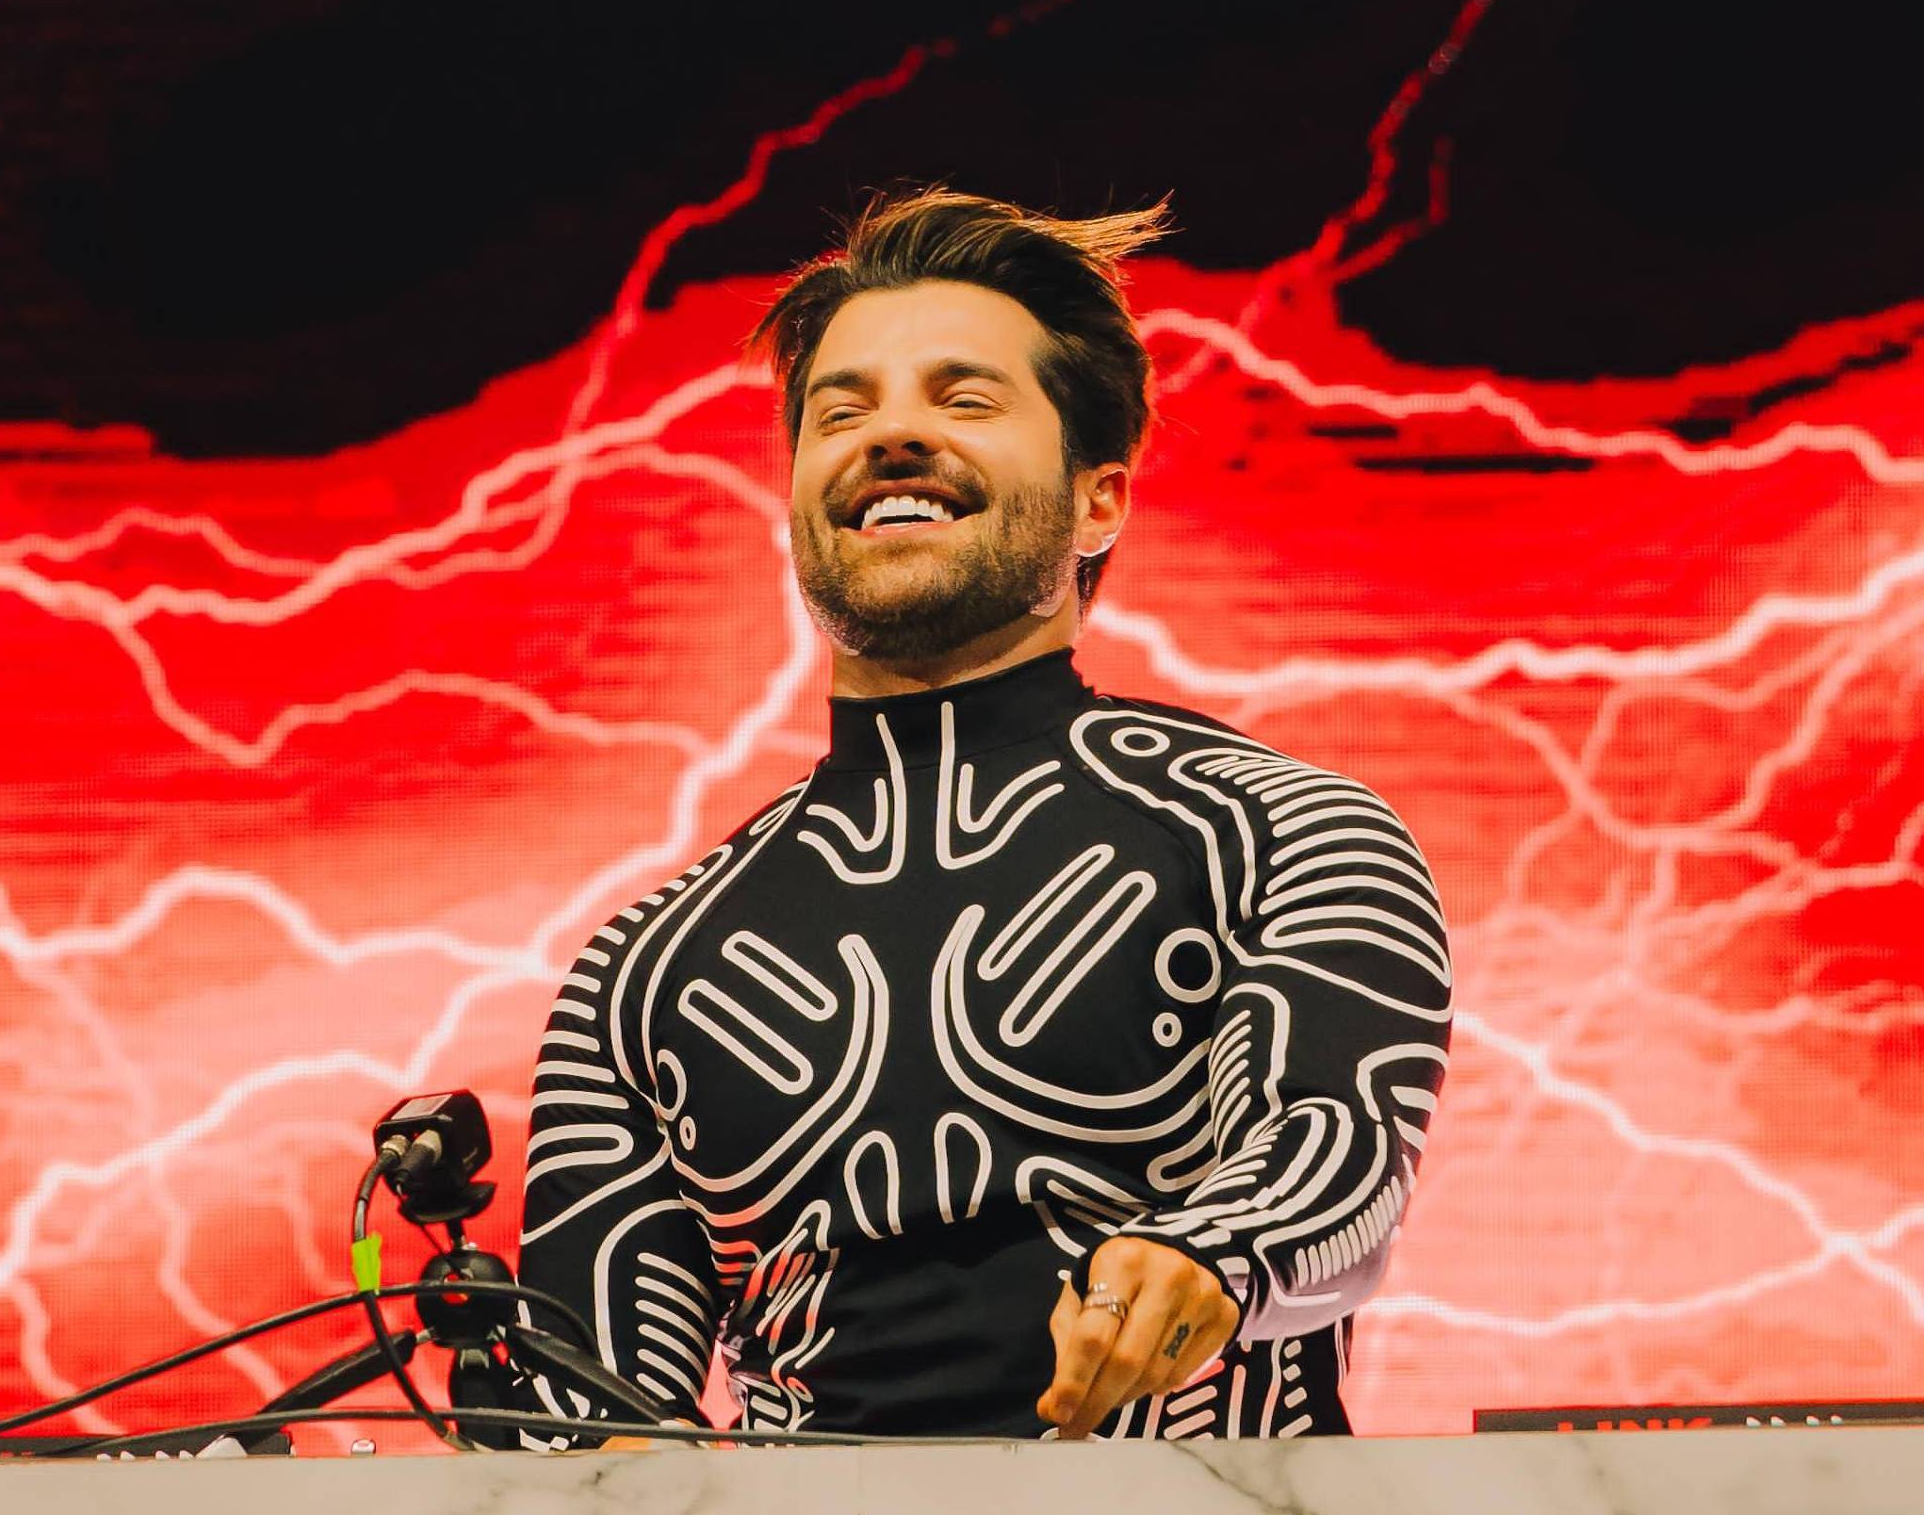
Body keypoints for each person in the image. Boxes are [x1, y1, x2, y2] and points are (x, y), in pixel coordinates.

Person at [515, 189, 1451, 1443]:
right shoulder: (640, 970)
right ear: (797, 500)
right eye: (842, 411)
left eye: (963, 400)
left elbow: (1333, 1158)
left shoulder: (1283, 829)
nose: (890, 437)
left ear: (1098, 501)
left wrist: (1207, 1259)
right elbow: (585, 1422)